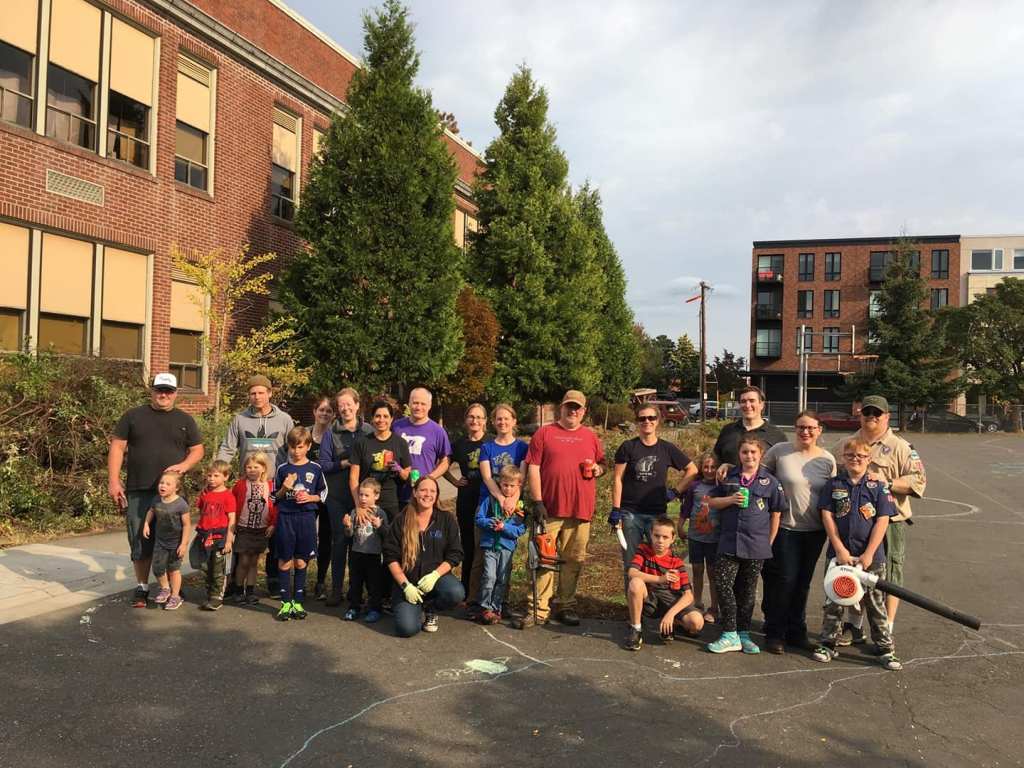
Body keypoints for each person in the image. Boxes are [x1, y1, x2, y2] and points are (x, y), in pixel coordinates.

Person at [108, 372, 204, 608]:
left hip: (173, 495)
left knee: (172, 543)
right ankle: (142, 587)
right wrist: (113, 481)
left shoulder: (185, 420)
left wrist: (183, 466)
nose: (163, 394)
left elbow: (198, 450)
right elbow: (118, 447)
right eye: (159, 390)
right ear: (151, 391)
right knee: (140, 540)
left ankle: (173, 589)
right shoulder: (133, 416)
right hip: (139, 490)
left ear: (175, 394)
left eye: (168, 391)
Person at [835, 395, 926, 642]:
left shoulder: (901, 447)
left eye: (878, 413)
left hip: (890, 523)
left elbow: (919, 481)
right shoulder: (846, 444)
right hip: (855, 523)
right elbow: (831, 475)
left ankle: (887, 628)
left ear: (887, 416)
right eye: (867, 412)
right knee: (854, 574)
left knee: (890, 578)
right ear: (860, 414)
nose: (871, 417)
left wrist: (887, 483)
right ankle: (854, 625)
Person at [517, 390, 605, 629]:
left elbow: (602, 464)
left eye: (577, 407)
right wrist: (537, 501)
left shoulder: (590, 436)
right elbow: (533, 467)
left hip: (580, 510)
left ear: (584, 412)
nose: (573, 411)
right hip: (550, 509)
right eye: (569, 406)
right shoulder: (544, 433)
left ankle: (566, 605)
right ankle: (538, 609)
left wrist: (598, 469)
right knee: (542, 560)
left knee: (573, 560)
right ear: (561, 408)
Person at [813, 437, 902, 671]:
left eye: (861, 456)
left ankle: (885, 648)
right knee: (834, 601)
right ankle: (827, 642)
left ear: (868, 459)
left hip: (871, 558)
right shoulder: (833, 485)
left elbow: (882, 520)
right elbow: (827, 516)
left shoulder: (878, 486)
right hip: (840, 557)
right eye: (850, 456)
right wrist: (840, 549)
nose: (855, 460)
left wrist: (869, 554)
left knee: (875, 603)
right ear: (844, 457)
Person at [760, 410, 837, 654]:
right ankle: (775, 632)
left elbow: (834, 493)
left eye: (811, 428)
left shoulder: (827, 459)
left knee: (803, 583)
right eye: (801, 427)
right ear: (795, 428)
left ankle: (797, 631)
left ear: (819, 430)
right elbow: (758, 476)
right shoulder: (780, 452)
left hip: (814, 530)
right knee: (785, 581)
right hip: (785, 528)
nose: (805, 432)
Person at [705, 436, 786, 654]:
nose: (749, 456)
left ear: (760, 455)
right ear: (739, 455)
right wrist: (730, 500)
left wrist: (768, 541)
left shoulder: (770, 482)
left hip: (756, 545)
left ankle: (743, 634)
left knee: (747, 592)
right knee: (723, 586)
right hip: (729, 542)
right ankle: (730, 633)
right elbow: (711, 501)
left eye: (753, 452)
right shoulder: (728, 478)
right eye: (745, 452)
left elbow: (776, 514)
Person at [217, 375, 295, 594]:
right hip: (247, 486)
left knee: (274, 532)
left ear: (270, 393)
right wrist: (217, 473)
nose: (257, 396)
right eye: (253, 393)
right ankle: (235, 581)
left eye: (261, 392)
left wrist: (292, 478)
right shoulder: (240, 419)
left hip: (274, 486)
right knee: (243, 532)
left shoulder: (284, 419)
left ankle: (273, 578)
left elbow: (292, 450)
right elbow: (228, 448)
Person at [609, 403, 696, 589]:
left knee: (659, 561)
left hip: (657, 515)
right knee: (632, 563)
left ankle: (657, 604)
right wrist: (616, 510)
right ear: (637, 422)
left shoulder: (666, 449)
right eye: (642, 418)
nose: (646, 421)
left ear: (658, 421)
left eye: (651, 418)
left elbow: (692, 470)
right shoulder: (628, 447)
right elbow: (617, 478)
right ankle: (635, 607)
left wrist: (675, 491)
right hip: (630, 513)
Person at [382, 476, 465, 637]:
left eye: (432, 491)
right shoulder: (401, 519)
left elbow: (455, 553)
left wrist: (435, 575)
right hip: (408, 582)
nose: (428, 494)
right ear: (414, 492)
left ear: (437, 495)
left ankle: (431, 608)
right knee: (407, 629)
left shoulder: (446, 519)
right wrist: (405, 586)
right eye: (423, 490)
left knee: (456, 592)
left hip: (437, 579)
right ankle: (410, 606)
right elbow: (390, 556)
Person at [471, 403, 529, 618]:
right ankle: (479, 603)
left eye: (507, 418)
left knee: (505, 558)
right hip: (490, 502)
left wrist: (512, 501)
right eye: (499, 419)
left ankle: (500, 603)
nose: (503, 422)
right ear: (493, 422)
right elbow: (487, 477)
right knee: (483, 558)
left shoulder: (522, 447)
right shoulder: (487, 447)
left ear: (514, 421)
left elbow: (522, 478)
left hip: (512, 507)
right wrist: (501, 498)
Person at [318, 387, 374, 607]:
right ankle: (336, 589)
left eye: (349, 404)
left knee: (363, 543)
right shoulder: (330, 433)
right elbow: (323, 464)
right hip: (338, 498)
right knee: (340, 542)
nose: (345, 408)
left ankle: (359, 590)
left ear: (357, 405)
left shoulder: (368, 431)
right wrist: (343, 463)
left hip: (362, 498)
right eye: (341, 405)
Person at [624, 516, 704, 651]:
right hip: (651, 601)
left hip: (670, 602)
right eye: (656, 536)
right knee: (635, 583)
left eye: (665, 537)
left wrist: (670, 615)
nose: (660, 541)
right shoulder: (643, 550)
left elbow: (689, 595)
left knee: (697, 623)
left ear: (672, 539)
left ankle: (673, 623)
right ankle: (636, 629)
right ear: (651, 535)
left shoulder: (676, 562)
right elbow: (631, 572)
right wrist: (660, 579)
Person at [273, 427, 327, 621]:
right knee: (285, 559)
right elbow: (273, 497)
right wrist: (285, 488)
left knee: (301, 560)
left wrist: (311, 497)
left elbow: (323, 493)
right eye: (292, 447)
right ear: (288, 446)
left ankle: (298, 601)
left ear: (308, 446)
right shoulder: (282, 469)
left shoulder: (315, 468)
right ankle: (285, 602)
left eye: (300, 447)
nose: (296, 451)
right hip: (286, 518)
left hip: (306, 518)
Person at [444, 403, 488, 606]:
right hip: (466, 500)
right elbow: (442, 464)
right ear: (465, 420)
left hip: (487, 500)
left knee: (486, 546)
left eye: (479, 417)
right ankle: (467, 592)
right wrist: (454, 481)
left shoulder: (490, 443)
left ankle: (486, 592)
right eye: (471, 417)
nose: (475, 421)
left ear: (485, 421)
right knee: (469, 546)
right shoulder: (459, 444)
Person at [474, 465, 527, 625]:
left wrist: (505, 527)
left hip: (507, 547)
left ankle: (496, 608)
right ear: (499, 483)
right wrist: (490, 522)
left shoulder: (520, 507)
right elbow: (479, 519)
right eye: (505, 485)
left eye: (512, 486)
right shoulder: (490, 500)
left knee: (502, 578)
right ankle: (485, 607)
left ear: (518, 486)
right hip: (490, 545)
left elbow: (520, 530)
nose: (508, 489)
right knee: (489, 576)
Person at [349, 400, 412, 520]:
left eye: (385, 416)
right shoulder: (362, 443)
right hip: (367, 502)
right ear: (372, 418)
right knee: (366, 537)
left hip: (392, 502)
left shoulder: (400, 443)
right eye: (377, 416)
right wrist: (359, 505)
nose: (381, 420)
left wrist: (398, 468)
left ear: (392, 419)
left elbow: (407, 476)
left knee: (391, 536)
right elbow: (353, 478)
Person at [678, 452, 720, 624]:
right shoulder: (694, 486)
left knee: (712, 572)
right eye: (706, 467)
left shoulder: (722, 487)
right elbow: (686, 508)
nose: (709, 470)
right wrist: (680, 526)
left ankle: (714, 607)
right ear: (701, 468)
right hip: (695, 536)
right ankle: (697, 603)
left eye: (713, 467)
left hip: (714, 538)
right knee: (696, 570)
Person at [230, 452, 277, 604]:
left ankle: (250, 591)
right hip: (244, 528)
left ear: (264, 468)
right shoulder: (240, 485)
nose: (251, 470)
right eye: (248, 467)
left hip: (262, 529)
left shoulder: (270, 486)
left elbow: (275, 507)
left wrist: (273, 524)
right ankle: (238, 589)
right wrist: (232, 523)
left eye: (256, 467)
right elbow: (231, 503)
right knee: (243, 560)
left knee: (254, 561)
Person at [141, 471, 190, 611]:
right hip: (160, 541)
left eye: (168, 484)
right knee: (157, 568)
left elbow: (187, 525)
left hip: (176, 543)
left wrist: (184, 544)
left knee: (174, 569)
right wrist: (146, 523)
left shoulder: (181, 504)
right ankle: (165, 588)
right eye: (162, 483)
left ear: (176, 488)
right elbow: (151, 511)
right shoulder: (156, 500)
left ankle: (175, 596)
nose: (163, 486)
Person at [192, 460, 237, 611]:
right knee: (205, 567)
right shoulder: (205, 494)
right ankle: (209, 593)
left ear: (225, 477)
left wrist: (229, 540)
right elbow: (200, 511)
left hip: (221, 536)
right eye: (209, 475)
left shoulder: (228, 496)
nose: (211, 478)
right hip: (205, 536)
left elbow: (232, 519)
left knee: (219, 569)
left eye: (216, 475)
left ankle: (217, 597)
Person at [393, 387, 451, 503]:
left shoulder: (437, 431)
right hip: (396, 492)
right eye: (415, 403)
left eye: (423, 404)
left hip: (424, 496)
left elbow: (445, 461)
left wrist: (430, 478)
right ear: (409, 403)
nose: (418, 407)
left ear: (429, 405)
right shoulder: (396, 427)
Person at [342, 478, 388, 623]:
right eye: (361, 495)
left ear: (376, 496)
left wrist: (379, 526)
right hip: (356, 553)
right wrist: (347, 526)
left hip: (373, 555)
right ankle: (354, 607)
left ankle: (375, 609)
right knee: (355, 583)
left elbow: (387, 535)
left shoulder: (380, 513)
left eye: (366, 495)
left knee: (374, 584)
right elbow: (349, 535)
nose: (362, 498)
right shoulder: (354, 512)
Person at [713, 385, 786, 467]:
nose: (747, 405)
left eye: (752, 401)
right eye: (743, 401)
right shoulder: (727, 431)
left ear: (761, 404)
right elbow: (716, 459)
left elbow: (783, 468)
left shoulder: (777, 435)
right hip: (730, 480)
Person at [308, 396, 335, 601]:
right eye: (321, 409)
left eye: (328, 411)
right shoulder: (305, 435)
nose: (324, 414)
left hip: (327, 494)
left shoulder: (335, 436)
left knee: (325, 538)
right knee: (306, 536)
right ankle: (299, 577)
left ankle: (320, 581)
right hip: (305, 494)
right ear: (315, 411)